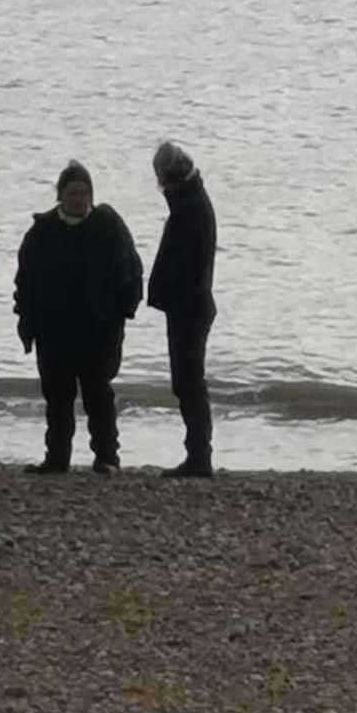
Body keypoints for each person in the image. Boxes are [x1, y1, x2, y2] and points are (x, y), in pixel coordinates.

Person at [13, 160, 143, 475]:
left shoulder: (108, 226)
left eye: (85, 193)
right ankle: (57, 458)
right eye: (73, 193)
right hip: (54, 330)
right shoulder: (42, 231)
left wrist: (123, 312)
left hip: (98, 330)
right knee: (57, 397)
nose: (79, 198)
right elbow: (25, 282)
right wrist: (26, 323)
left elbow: (132, 273)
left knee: (98, 395)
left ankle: (107, 458)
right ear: (60, 196)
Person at [147, 140, 217, 478]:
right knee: (188, 382)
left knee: (189, 382)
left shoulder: (190, 208)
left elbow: (189, 265)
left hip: (189, 306)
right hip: (191, 304)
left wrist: (168, 294)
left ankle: (199, 457)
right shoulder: (193, 202)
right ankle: (198, 455)